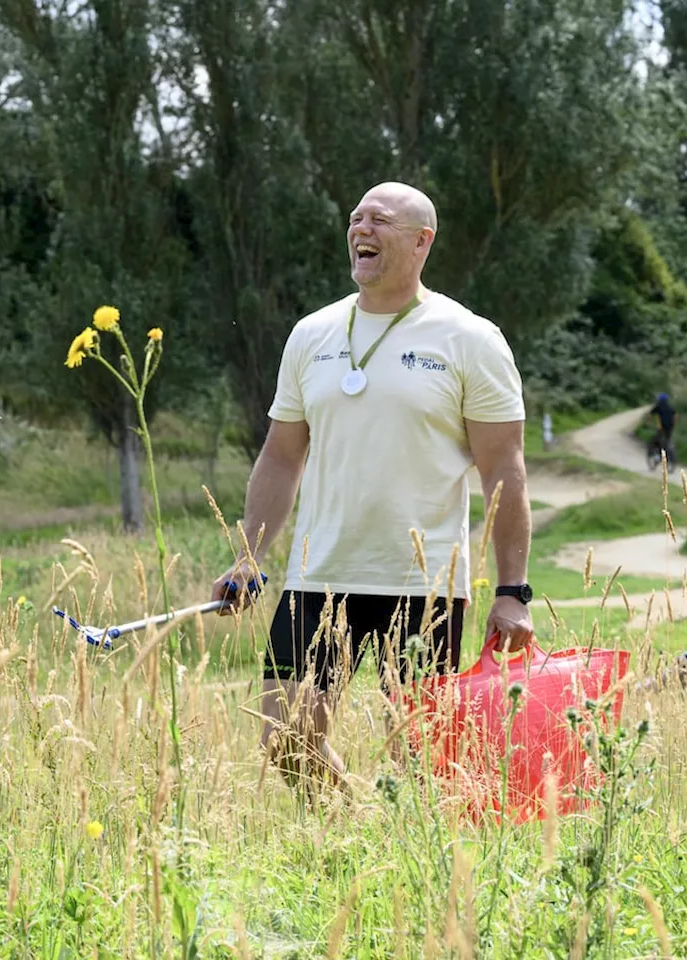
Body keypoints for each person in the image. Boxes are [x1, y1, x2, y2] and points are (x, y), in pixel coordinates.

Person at [211, 181, 533, 795]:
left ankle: (405, 865)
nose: (362, 228)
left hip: (422, 584)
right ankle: (346, 838)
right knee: (284, 736)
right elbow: (281, 457)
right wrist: (248, 555)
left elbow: (504, 469)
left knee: (419, 752)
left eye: (380, 219)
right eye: (356, 218)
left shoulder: (470, 339)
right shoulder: (311, 334)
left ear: (421, 241)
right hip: (319, 575)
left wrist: (514, 589)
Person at [650, 392, 678, 463]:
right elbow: (676, 416)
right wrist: (673, 424)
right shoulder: (670, 407)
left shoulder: (658, 406)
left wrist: (649, 422)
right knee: (667, 440)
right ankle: (669, 453)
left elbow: (651, 414)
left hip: (662, 427)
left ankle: (658, 455)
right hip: (670, 426)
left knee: (657, 440)